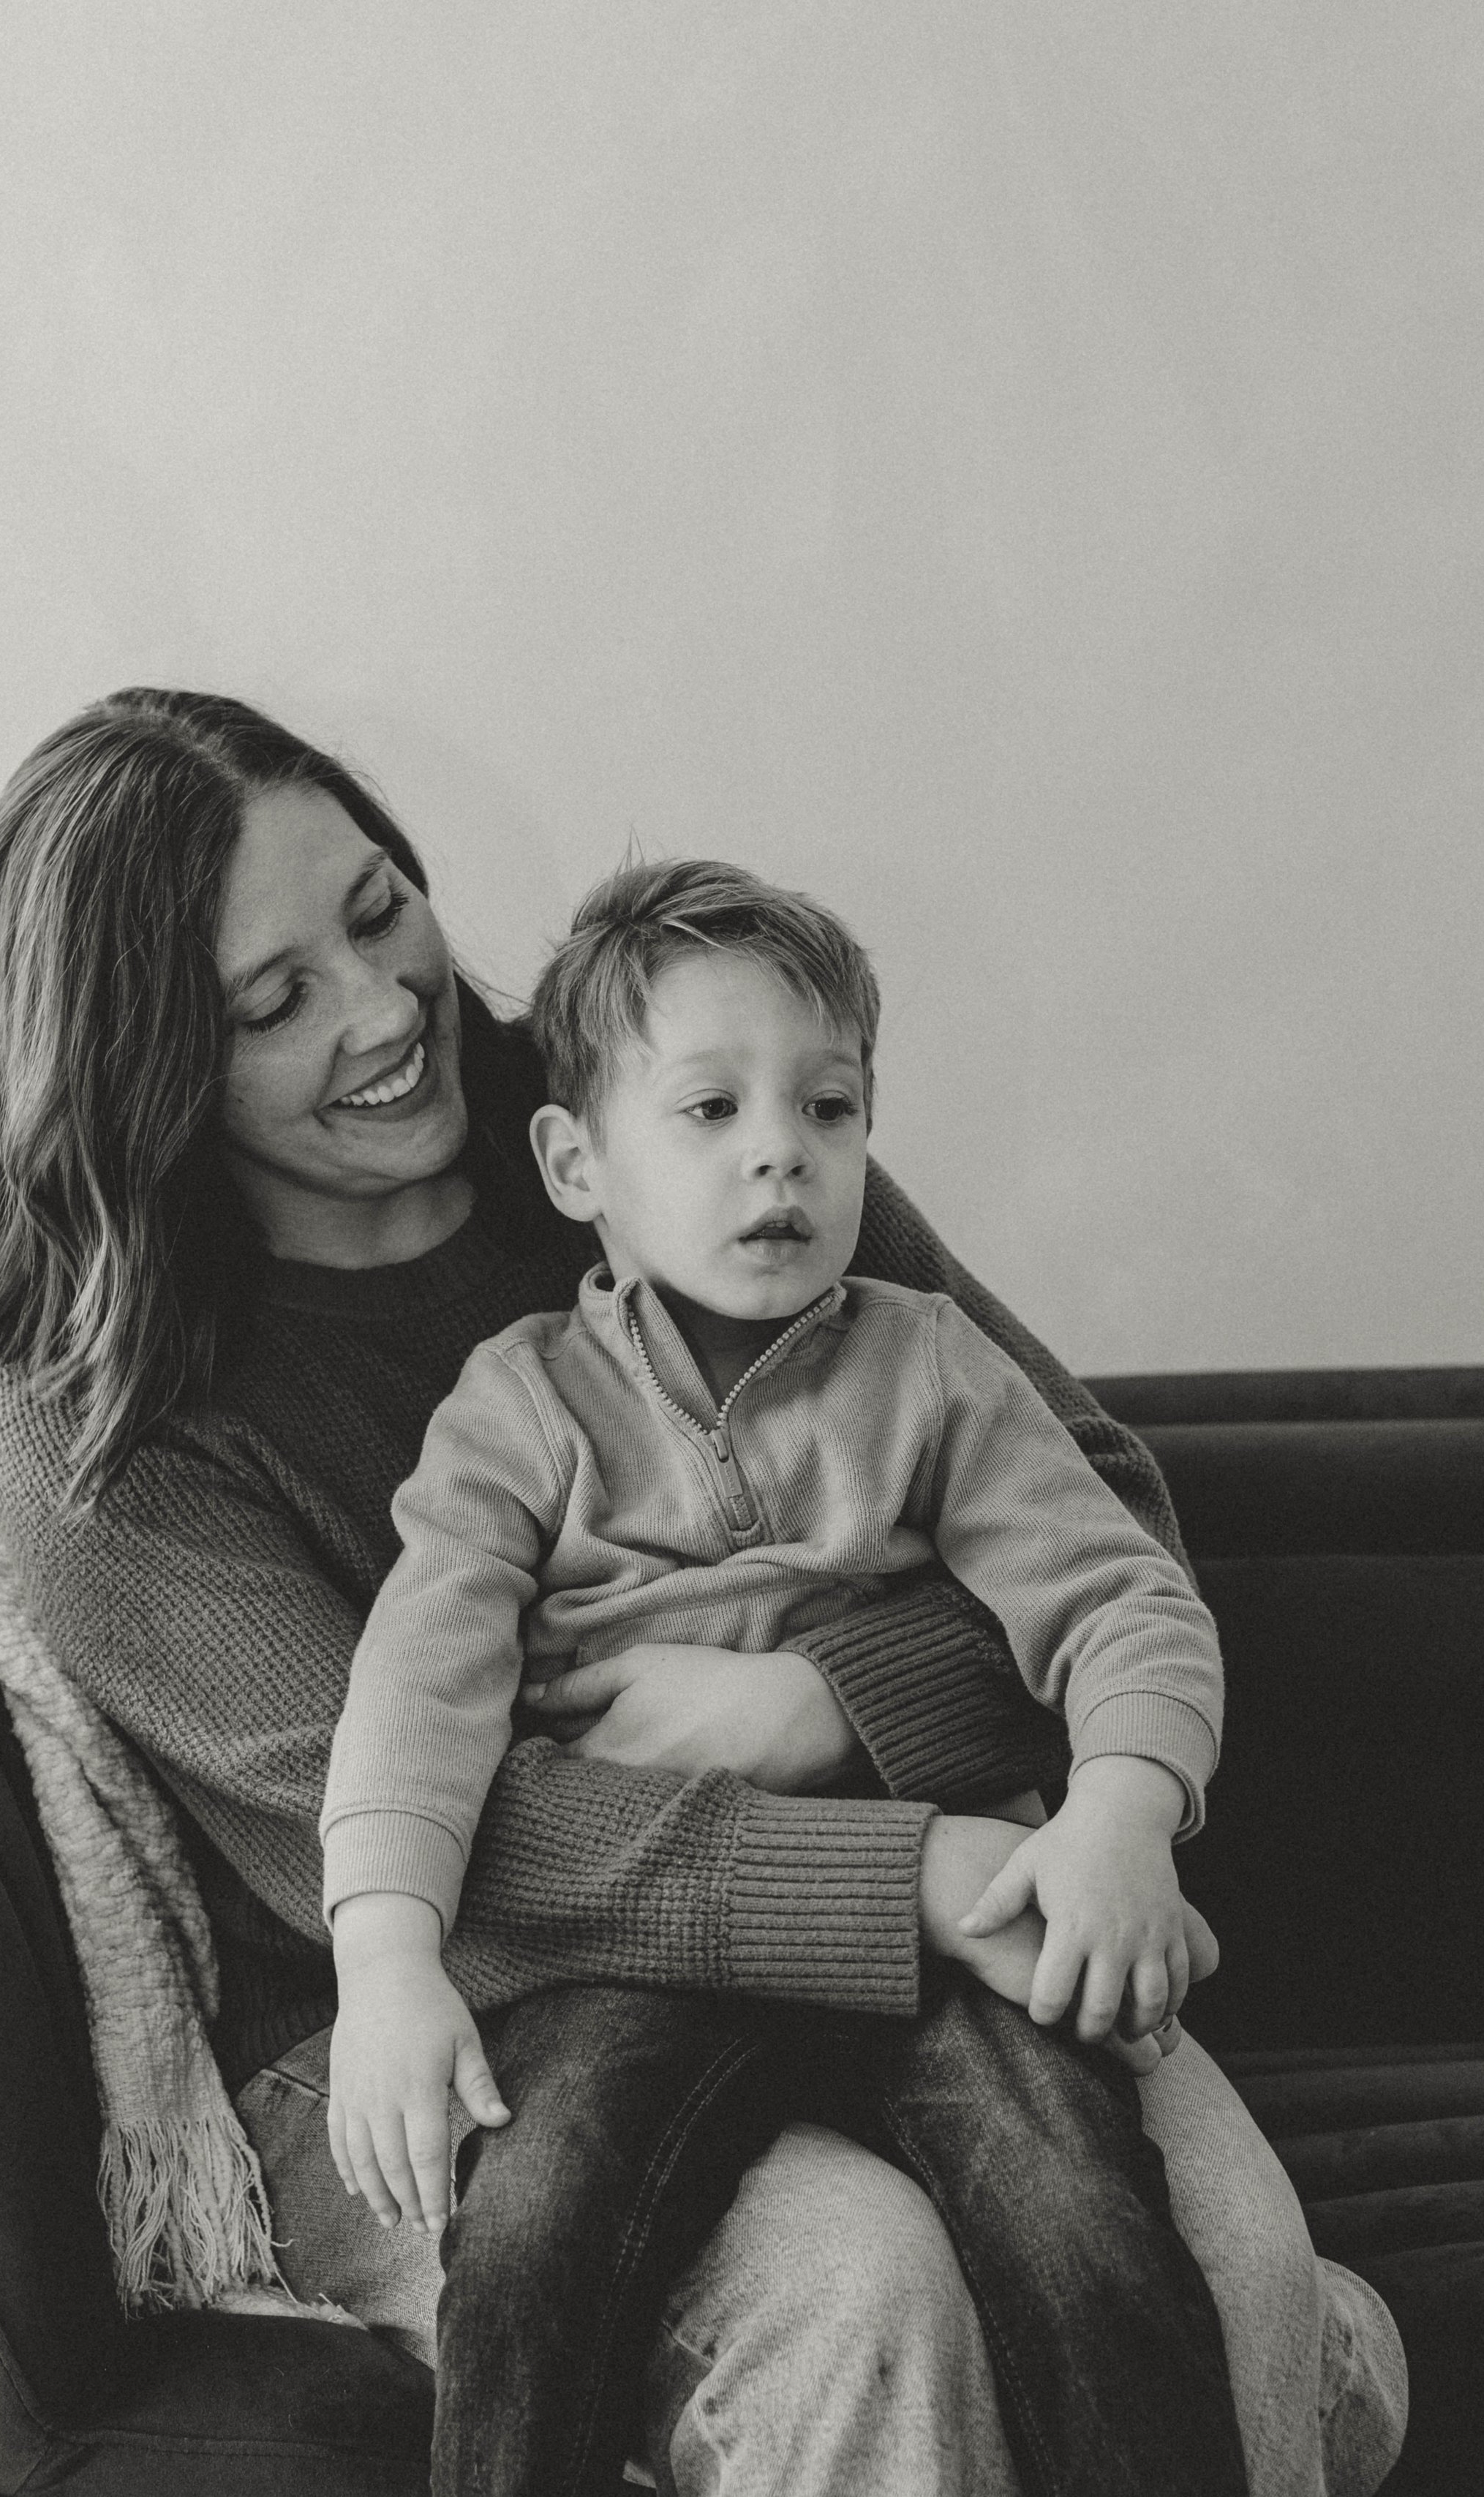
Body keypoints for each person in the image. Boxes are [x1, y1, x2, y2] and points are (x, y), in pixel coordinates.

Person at [0, 686, 1406, 2497]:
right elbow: (437, 1836)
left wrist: (838, 1705)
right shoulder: (100, 1422)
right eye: (274, 1000)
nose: (388, 1008)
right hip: (466, 2005)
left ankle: (1302, 2382)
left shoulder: (696, 1113)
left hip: (951, 1868)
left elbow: (1095, 1515)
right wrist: (920, 1879)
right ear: (146, 1065)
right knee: (863, 2294)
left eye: (379, 909)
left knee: (1230, 2266)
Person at [320, 855, 1247, 2497]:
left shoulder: (929, 1368)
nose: (780, 1151)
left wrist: (1118, 1812)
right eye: (709, 1110)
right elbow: (419, 1684)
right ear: (572, 1162)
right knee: (531, 2225)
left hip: (955, 1921)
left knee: (1084, 2228)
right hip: (640, 1953)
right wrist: (385, 1954)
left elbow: (1124, 1599)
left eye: (828, 1107)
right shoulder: (518, 1406)